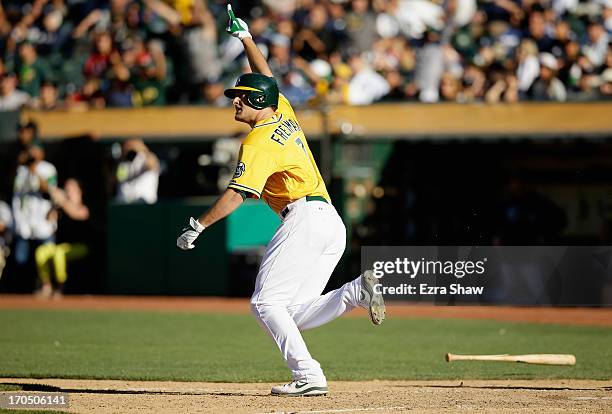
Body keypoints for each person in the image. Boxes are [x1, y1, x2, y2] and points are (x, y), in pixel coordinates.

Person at [176, 5, 385, 397]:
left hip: (304, 219)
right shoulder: (283, 111)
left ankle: (309, 375)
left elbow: (238, 194)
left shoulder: (256, 141)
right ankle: (355, 292)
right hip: (330, 221)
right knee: (288, 311)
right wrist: (246, 38)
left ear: (257, 103)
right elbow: (267, 77)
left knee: (264, 303)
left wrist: (198, 225)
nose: (234, 102)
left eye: (240, 97)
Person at [35, 178, 90, 298]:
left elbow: (76, 214)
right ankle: (47, 286)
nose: (68, 191)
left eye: (71, 188)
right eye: (67, 188)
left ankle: (60, 287)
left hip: (79, 247)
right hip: (59, 245)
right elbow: (48, 218)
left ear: (79, 191)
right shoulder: (62, 207)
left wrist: (63, 201)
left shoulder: (83, 207)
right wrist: (54, 204)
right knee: (41, 252)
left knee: (59, 253)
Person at [115, 138, 160, 204]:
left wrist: (140, 148)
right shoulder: (122, 162)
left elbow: (153, 165)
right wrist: (123, 154)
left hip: (145, 204)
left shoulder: (147, 158)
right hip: (124, 204)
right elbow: (113, 180)